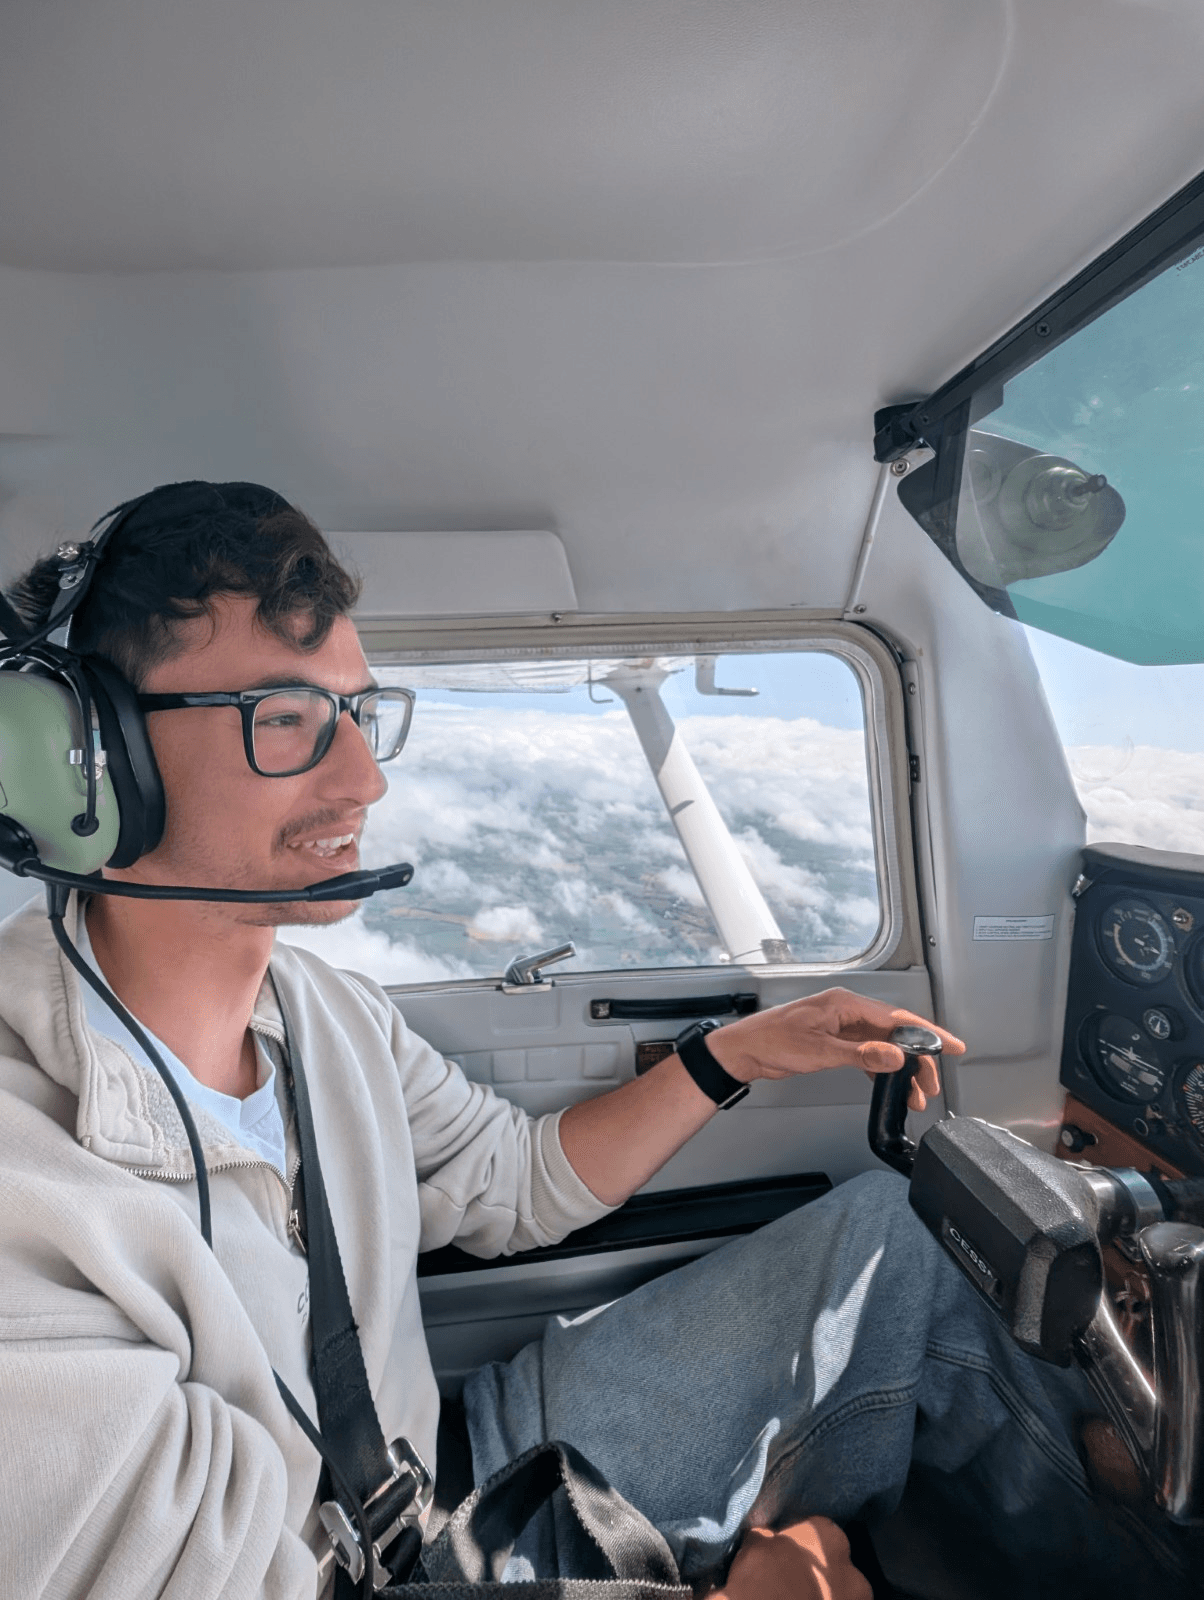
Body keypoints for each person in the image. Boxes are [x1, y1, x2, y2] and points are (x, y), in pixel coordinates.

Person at [0, 482, 1187, 1600]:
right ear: (87, 755)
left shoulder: (325, 1018)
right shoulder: (24, 1174)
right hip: (345, 1569)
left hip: (438, 1464)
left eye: (360, 713)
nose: (362, 776)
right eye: (288, 718)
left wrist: (744, 1052)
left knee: (904, 1239)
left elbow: (515, 1183)